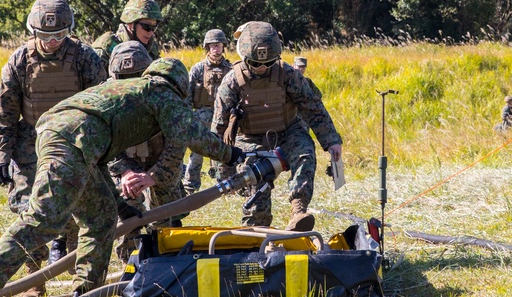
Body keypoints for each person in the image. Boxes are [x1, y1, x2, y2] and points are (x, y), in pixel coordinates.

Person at [0, 58, 246, 297]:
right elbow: (190, 134)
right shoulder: (160, 91)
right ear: (180, 86)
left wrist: (120, 206)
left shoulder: (130, 90)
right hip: (71, 140)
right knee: (44, 217)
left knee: (102, 216)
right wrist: (233, 155)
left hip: (73, 140)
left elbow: (98, 158)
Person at [0, 0, 106, 292]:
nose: (53, 41)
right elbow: (5, 112)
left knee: (76, 211)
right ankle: (34, 277)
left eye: (59, 35)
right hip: (31, 144)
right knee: (29, 210)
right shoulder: (19, 61)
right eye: (45, 35)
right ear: (33, 32)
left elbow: (102, 105)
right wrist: (3, 155)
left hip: (74, 143)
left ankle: (77, 278)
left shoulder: (85, 58)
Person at [213, 22, 343, 231]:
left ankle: (298, 211)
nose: (263, 68)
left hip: (287, 132)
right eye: (255, 63)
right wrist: (223, 170)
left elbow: (312, 107)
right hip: (250, 139)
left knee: (304, 152)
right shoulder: (232, 82)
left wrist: (332, 141)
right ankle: (257, 228)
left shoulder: (288, 74)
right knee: (254, 172)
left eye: (269, 62)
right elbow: (218, 128)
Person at [106, 41, 187, 260]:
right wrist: (125, 172)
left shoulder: (166, 94)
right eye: (124, 78)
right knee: (128, 209)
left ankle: (164, 260)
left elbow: (177, 143)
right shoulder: (104, 98)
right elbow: (102, 142)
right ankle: (130, 265)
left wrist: (154, 176)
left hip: (160, 163)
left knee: (164, 216)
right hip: (127, 165)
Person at [183, 29, 233, 193]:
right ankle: (190, 185)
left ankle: (226, 184)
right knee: (197, 153)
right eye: (212, 46)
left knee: (225, 151)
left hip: (224, 117)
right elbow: (188, 94)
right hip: (201, 117)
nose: (215, 49)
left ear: (223, 46)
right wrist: (188, 117)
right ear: (207, 47)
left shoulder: (230, 69)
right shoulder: (198, 69)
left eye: (218, 45)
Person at [92, 0, 162, 68]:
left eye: (154, 27)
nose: (151, 32)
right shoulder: (107, 47)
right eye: (147, 27)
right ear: (130, 23)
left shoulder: (151, 48)